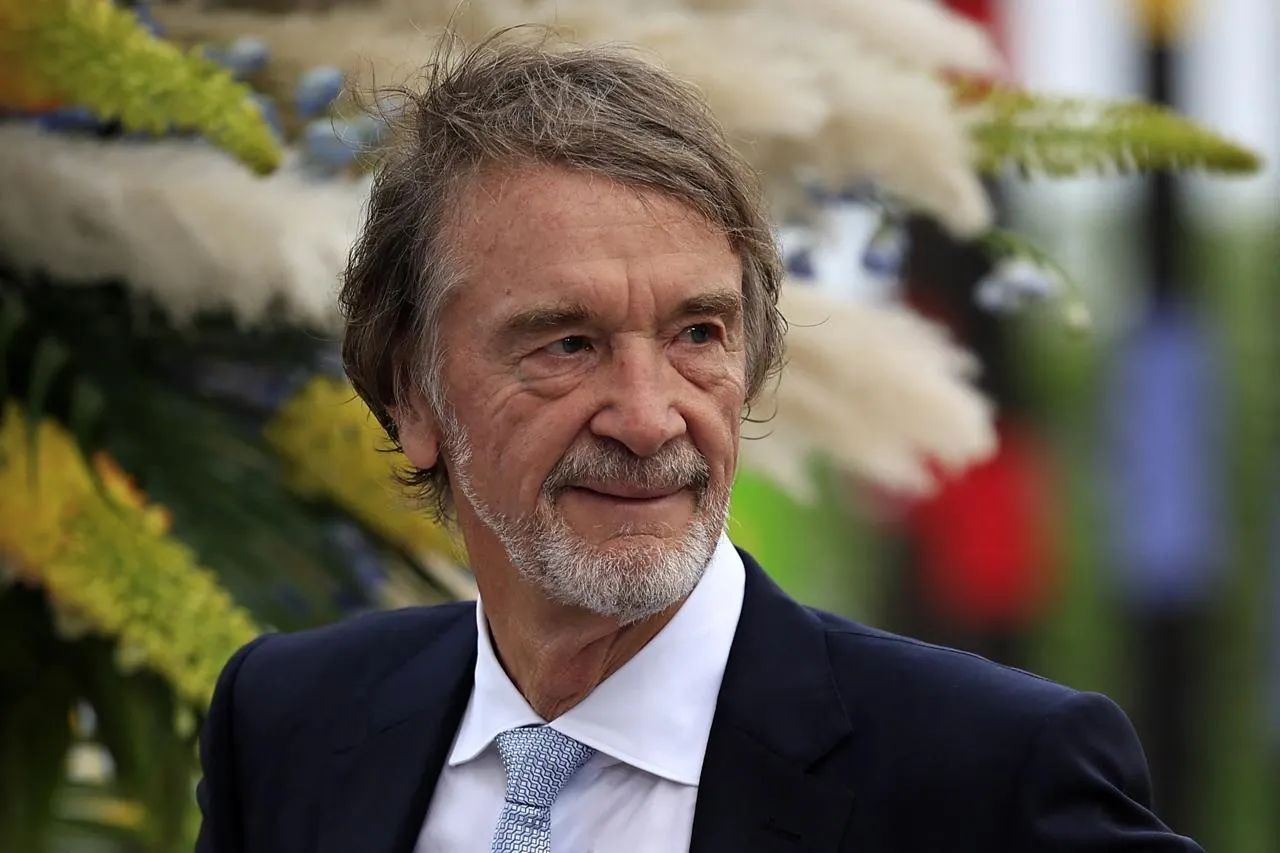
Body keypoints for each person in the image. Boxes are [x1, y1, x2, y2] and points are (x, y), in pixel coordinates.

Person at [194, 31, 1201, 853]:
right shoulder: (286, 724)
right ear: (411, 393)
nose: (648, 417)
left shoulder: (989, 773)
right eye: (567, 343)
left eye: (697, 335)